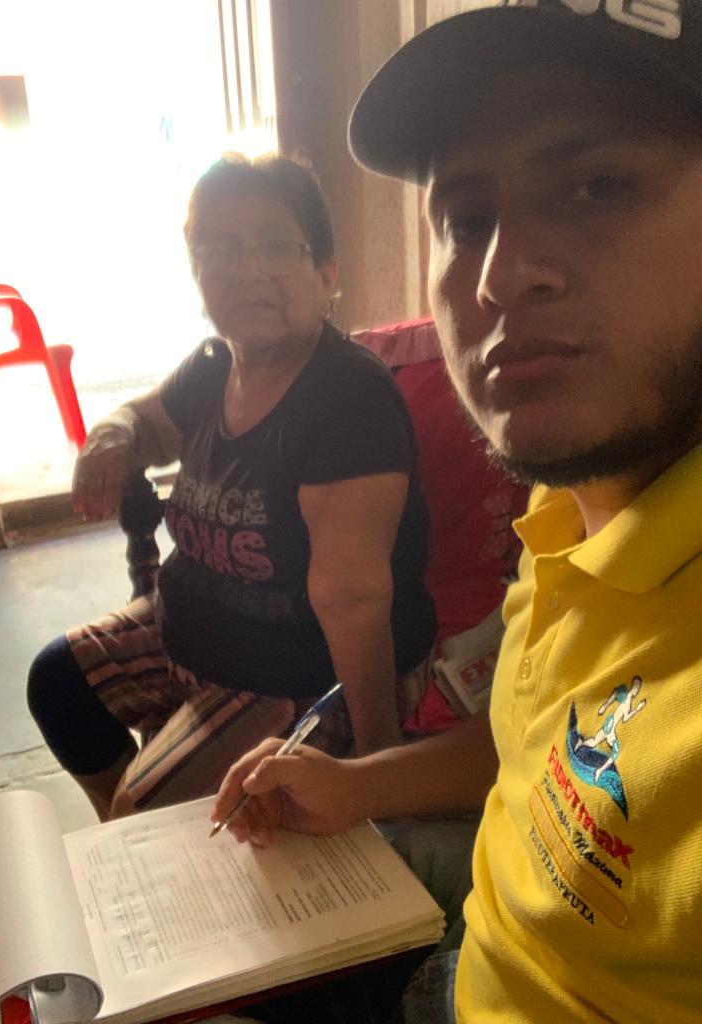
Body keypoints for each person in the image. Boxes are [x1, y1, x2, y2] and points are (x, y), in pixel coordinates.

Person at [211, 4, 702, 1022]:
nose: (500, 275)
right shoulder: (570, 510)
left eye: (600, 186)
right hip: (472, 945)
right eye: (467, 218)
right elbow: (543, 748)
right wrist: (359, 783)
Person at [27, 153, 436, 821]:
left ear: (326, 273)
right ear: (198, 276)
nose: (247, 271)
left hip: (304, 673)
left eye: (276, 247)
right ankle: (143, 825)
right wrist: (111, 433)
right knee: (58, 684)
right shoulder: (213, 367)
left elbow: (353, 600)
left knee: (143, 812)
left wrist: (376, 773)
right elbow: (142, 423)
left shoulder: (347, 398)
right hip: (192, 631)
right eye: (219, 252)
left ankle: (149, 826)